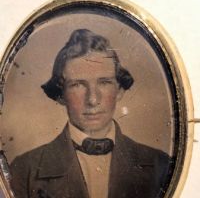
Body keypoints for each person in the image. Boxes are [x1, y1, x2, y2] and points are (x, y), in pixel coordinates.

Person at [10, 29, 171, 198]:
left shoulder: (160, 164)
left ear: (119, 90)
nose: (93, 100)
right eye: (78, 85)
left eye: (104, 82)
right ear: (60, 95)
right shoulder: (24, 170)